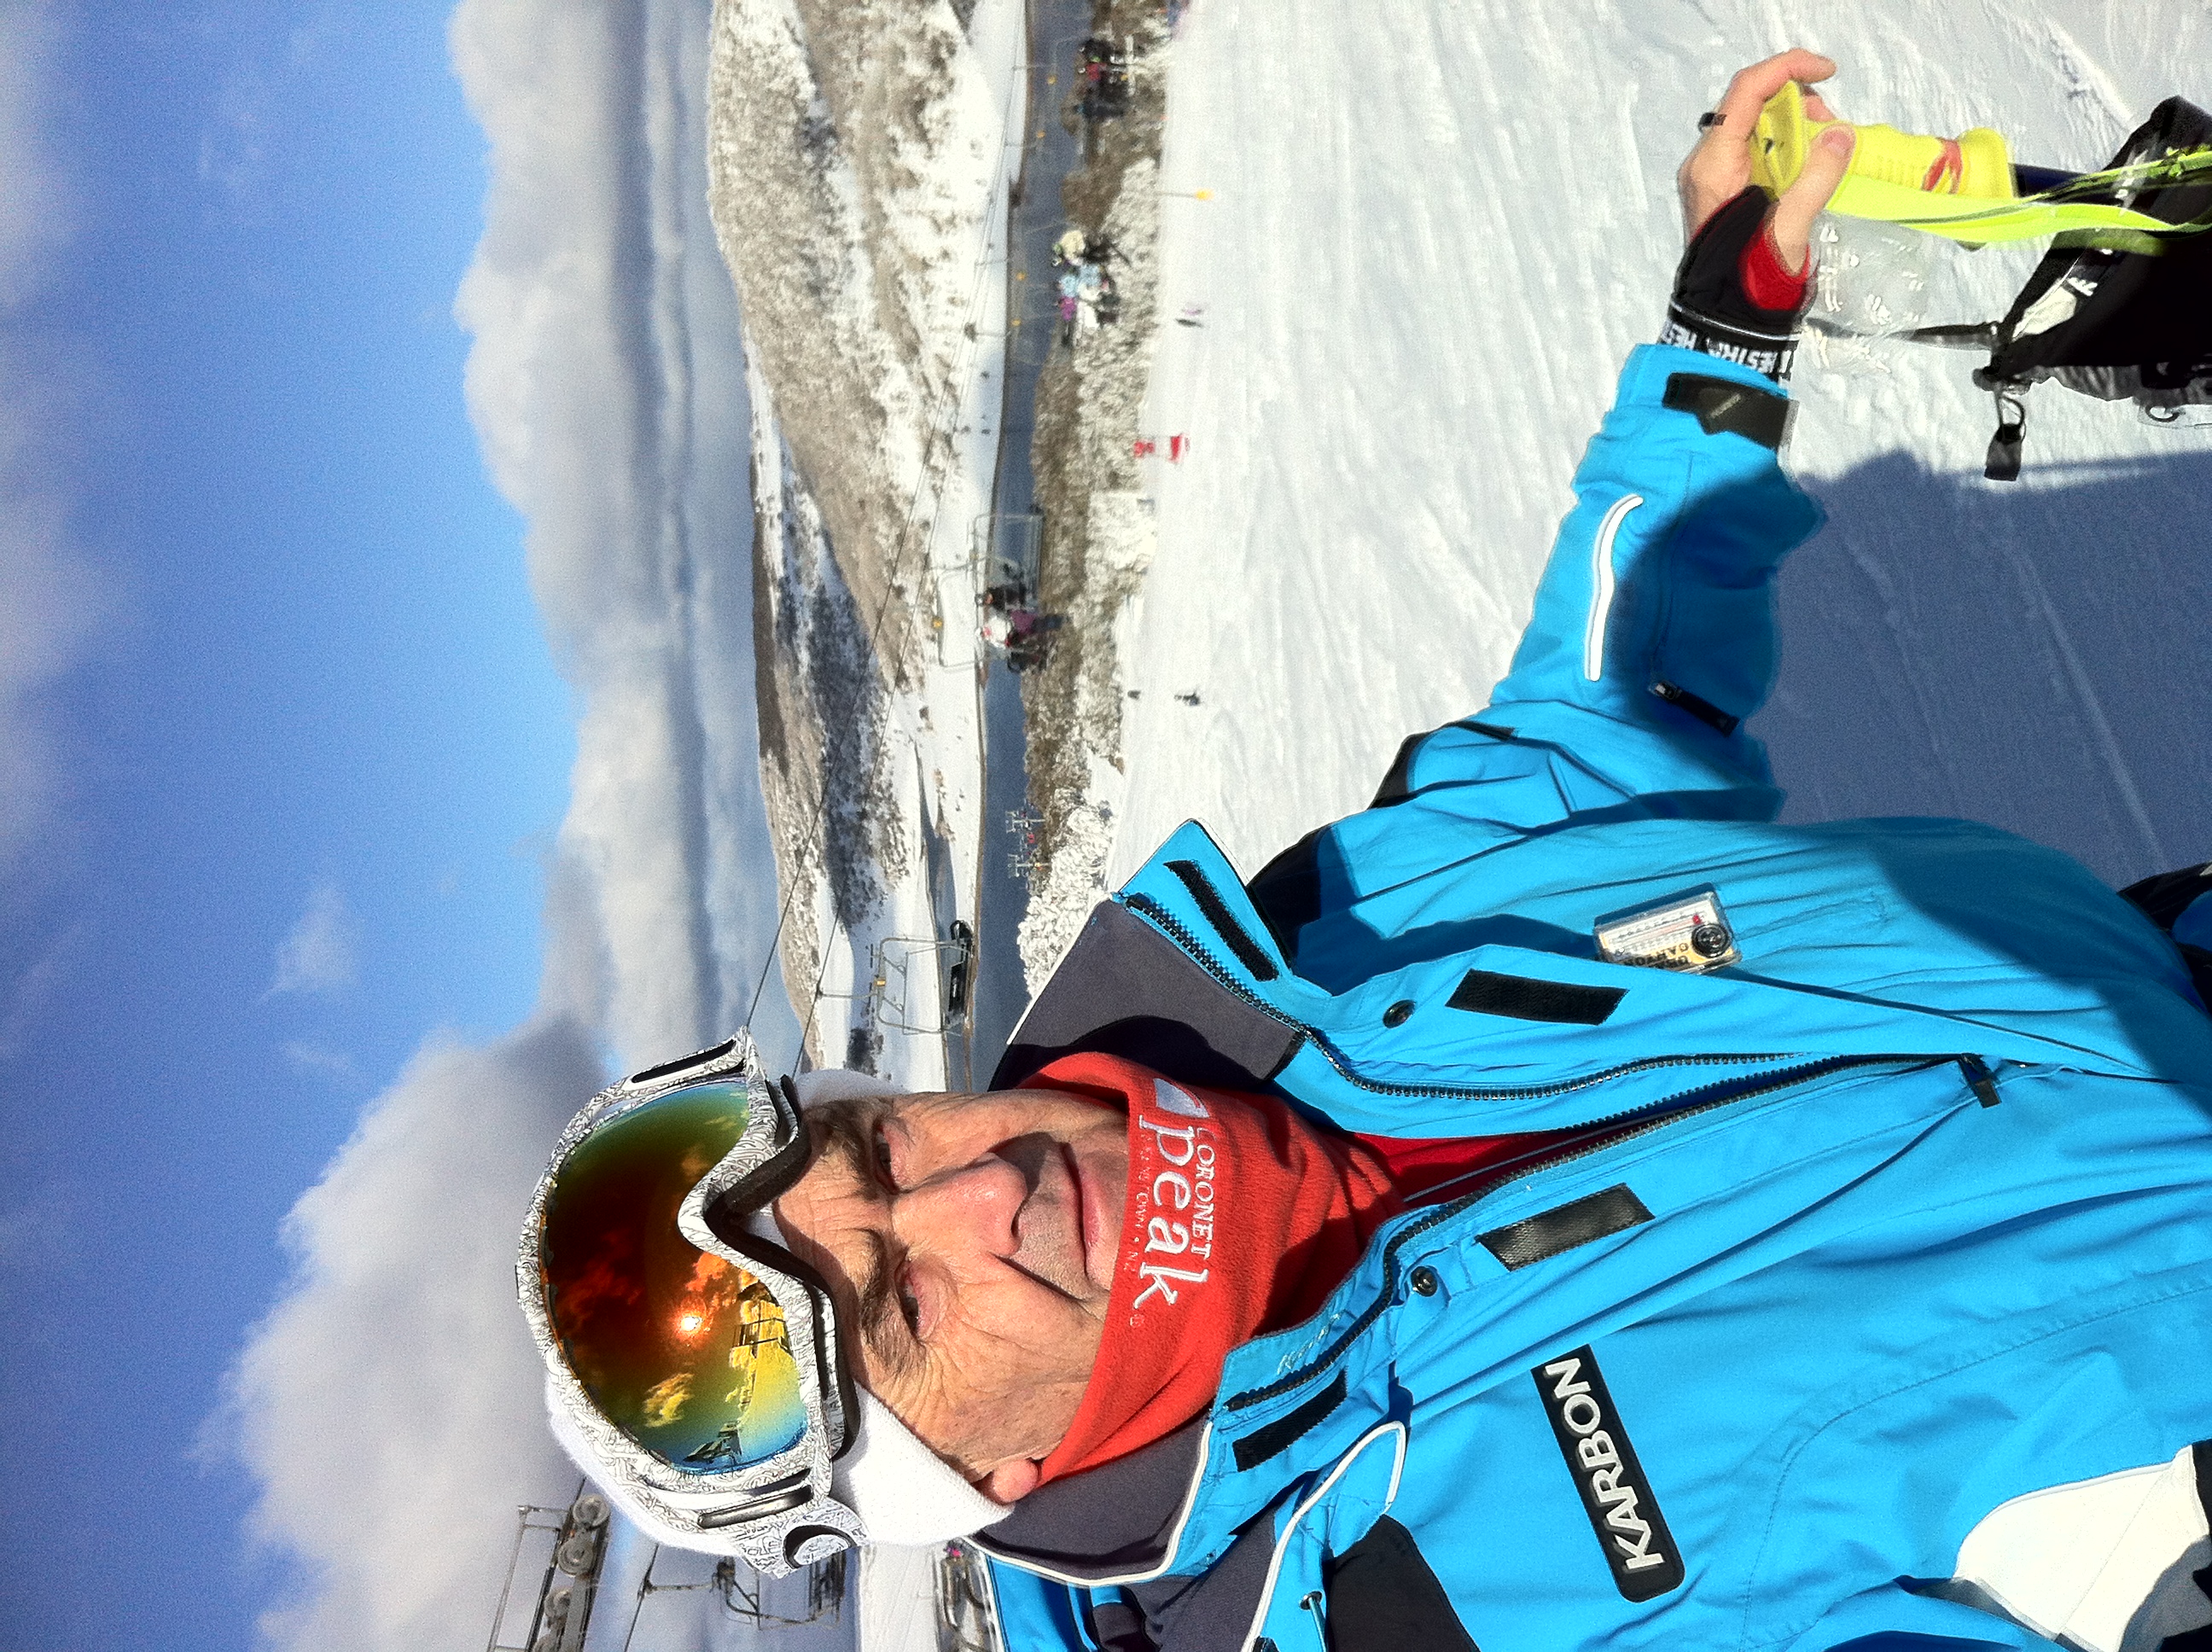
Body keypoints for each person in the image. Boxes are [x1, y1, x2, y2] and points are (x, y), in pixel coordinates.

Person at [521, 49, 2212, 1652]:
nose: (979, 1190)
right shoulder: (1421, 1603)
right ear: (981, 1479)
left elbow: (1594, 719)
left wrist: (1720, 338)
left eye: (882, 1146)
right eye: (905, 1301)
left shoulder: (1313, 951)